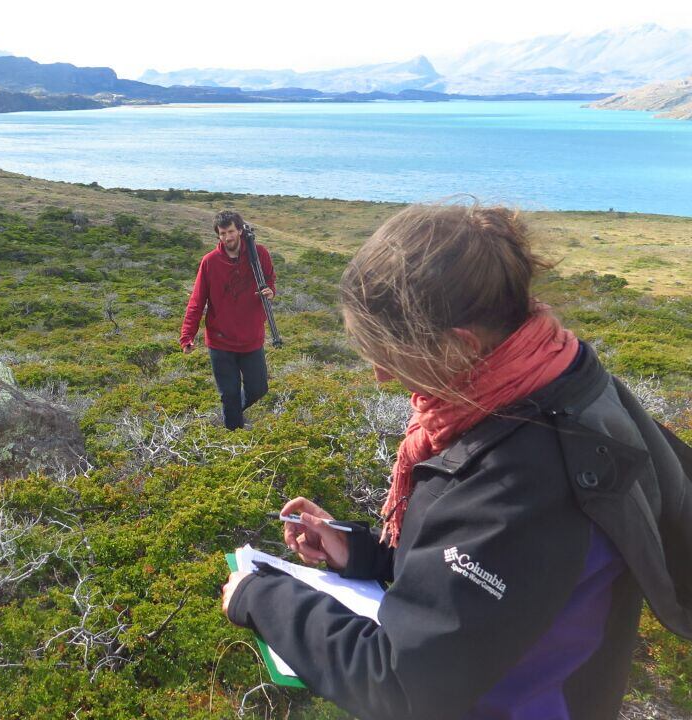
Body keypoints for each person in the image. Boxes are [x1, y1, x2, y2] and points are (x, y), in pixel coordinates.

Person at [220, 201, 692, 720]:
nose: (381, 374)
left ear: (458, 346)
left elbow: (400, 683)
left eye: (389, 352)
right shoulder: (553, 382)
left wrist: (261, 598)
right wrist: (361, 552)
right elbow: (485, 580)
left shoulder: (524, 476)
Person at [180, 210, 277, 430]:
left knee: (258, 389)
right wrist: (187, 335)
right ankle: (234, 430)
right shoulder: (210, 262)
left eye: (231, 231)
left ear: (240, 231)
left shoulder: (260, 254)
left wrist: (270, 292)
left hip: (251, 338)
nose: (227, 237)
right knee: (229, 394)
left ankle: (232, 415)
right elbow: (196, 301)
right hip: (220, 341)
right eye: (222, 233)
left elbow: (270, 282)